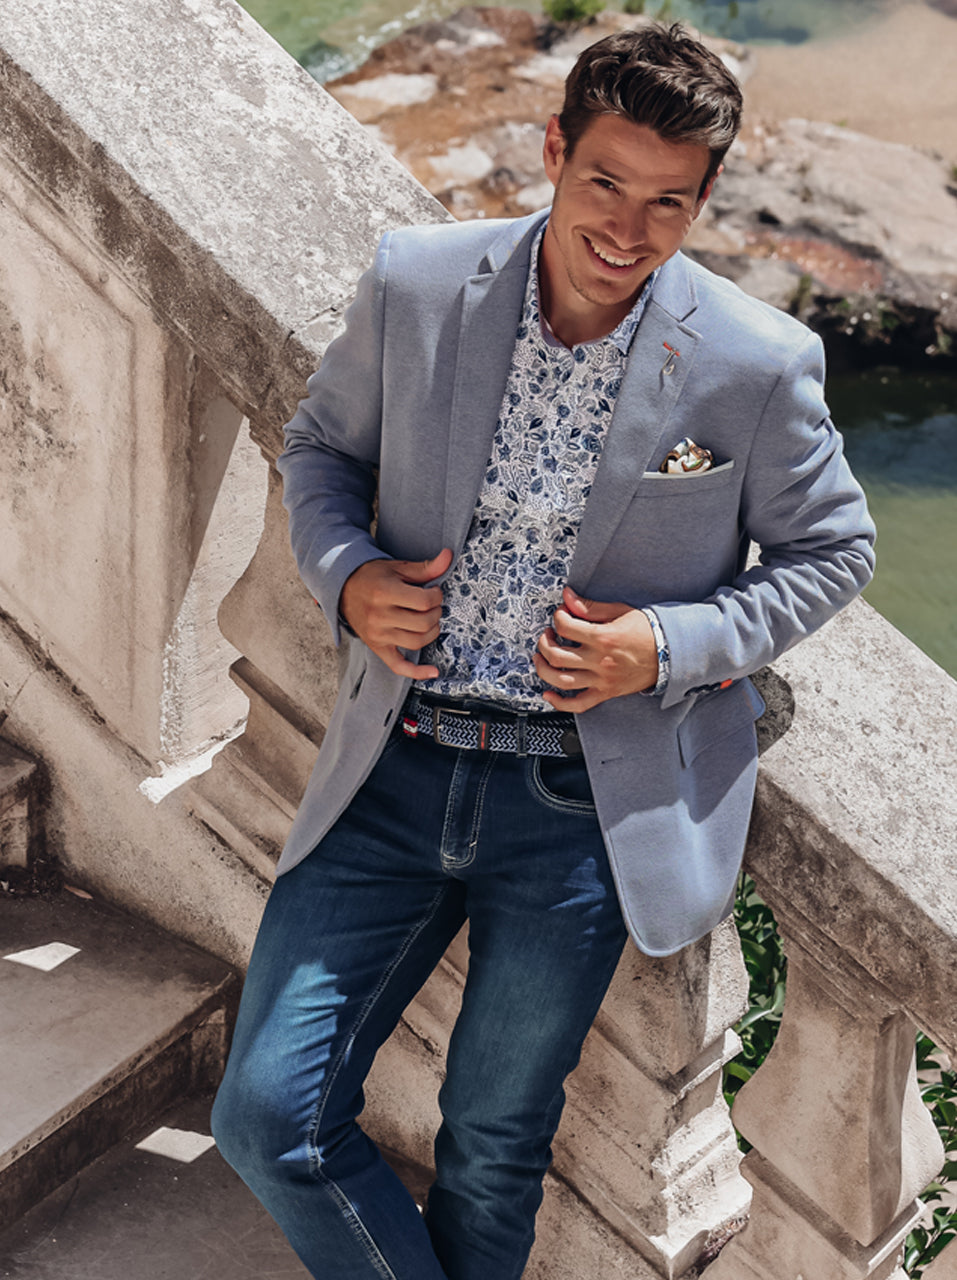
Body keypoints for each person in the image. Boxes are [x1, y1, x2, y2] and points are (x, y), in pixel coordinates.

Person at [212, 22, 875, 1280]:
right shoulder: (417, 282)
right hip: (393, 765)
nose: (628, 230)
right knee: (265, 1114)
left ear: (704, 199)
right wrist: (350, 580)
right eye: (605, 184)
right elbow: (319, 453)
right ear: (555, 148)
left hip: (580, 803)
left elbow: (834, 552)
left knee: (496, 1145)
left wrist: (666, 643)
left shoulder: (756, 361)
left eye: (668, 203)